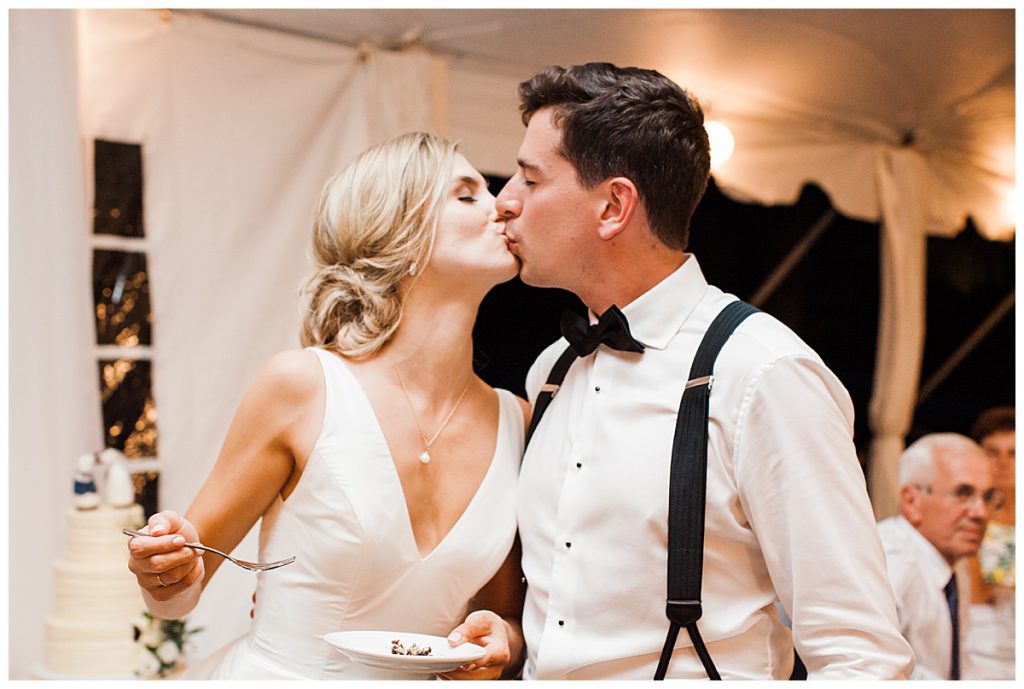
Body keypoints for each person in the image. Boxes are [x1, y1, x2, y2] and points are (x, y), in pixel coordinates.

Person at [491, 62, 914, 679]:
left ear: (614, 205)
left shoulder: (764, 372)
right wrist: (512, 638)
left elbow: (860, 654)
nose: (505, 201)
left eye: (530, 179)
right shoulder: (551, 371)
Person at [125, 132, 527, 680]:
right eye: (466, 194)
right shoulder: (302, 388)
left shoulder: (517, 419)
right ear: (400, 231)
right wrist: (164, 572)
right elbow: (177, 596)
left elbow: (506, 611)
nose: (502, 204)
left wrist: (504, 639)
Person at [876, 433, 1000, 679]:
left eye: (987, 497)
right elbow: (876, 669)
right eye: (963, 493)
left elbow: (960, 664)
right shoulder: (891, 562)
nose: (981, 512)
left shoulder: (951, 560)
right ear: (911, 501)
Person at [964, 407, 1015, 678]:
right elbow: (974, 593)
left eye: (1013, 453)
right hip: (981, 633)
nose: (1003, 463)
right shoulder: (970, 509)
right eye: (993, 452)